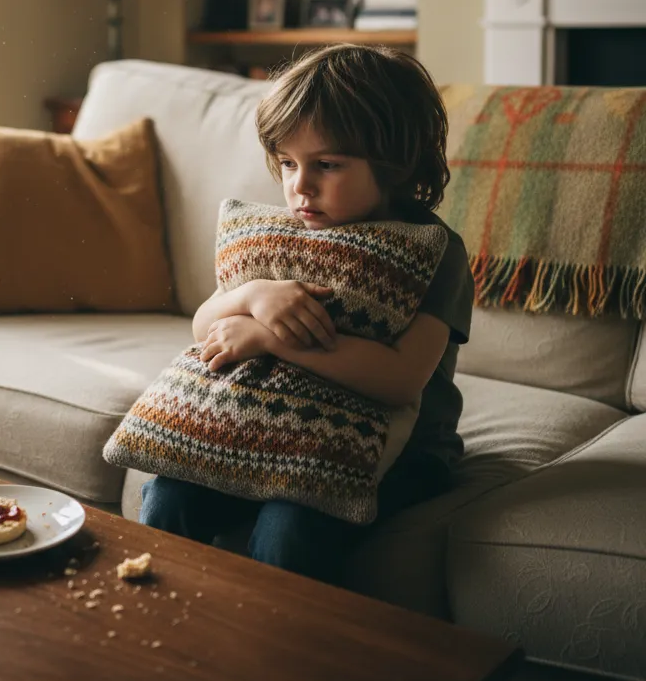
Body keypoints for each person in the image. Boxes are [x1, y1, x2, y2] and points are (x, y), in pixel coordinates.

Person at [139, 44, 474, 585]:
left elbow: (399, 380)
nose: (300, 186)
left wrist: (271, 340)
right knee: (168, 494)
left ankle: (273, 651)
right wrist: (254, 298)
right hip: (275, 426)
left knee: (288, 528)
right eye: (289, 163)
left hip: (405, 449)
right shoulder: (284, 237)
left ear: (396, 162)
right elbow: (206, 327)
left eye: (327, 165)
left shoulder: (434, 252)